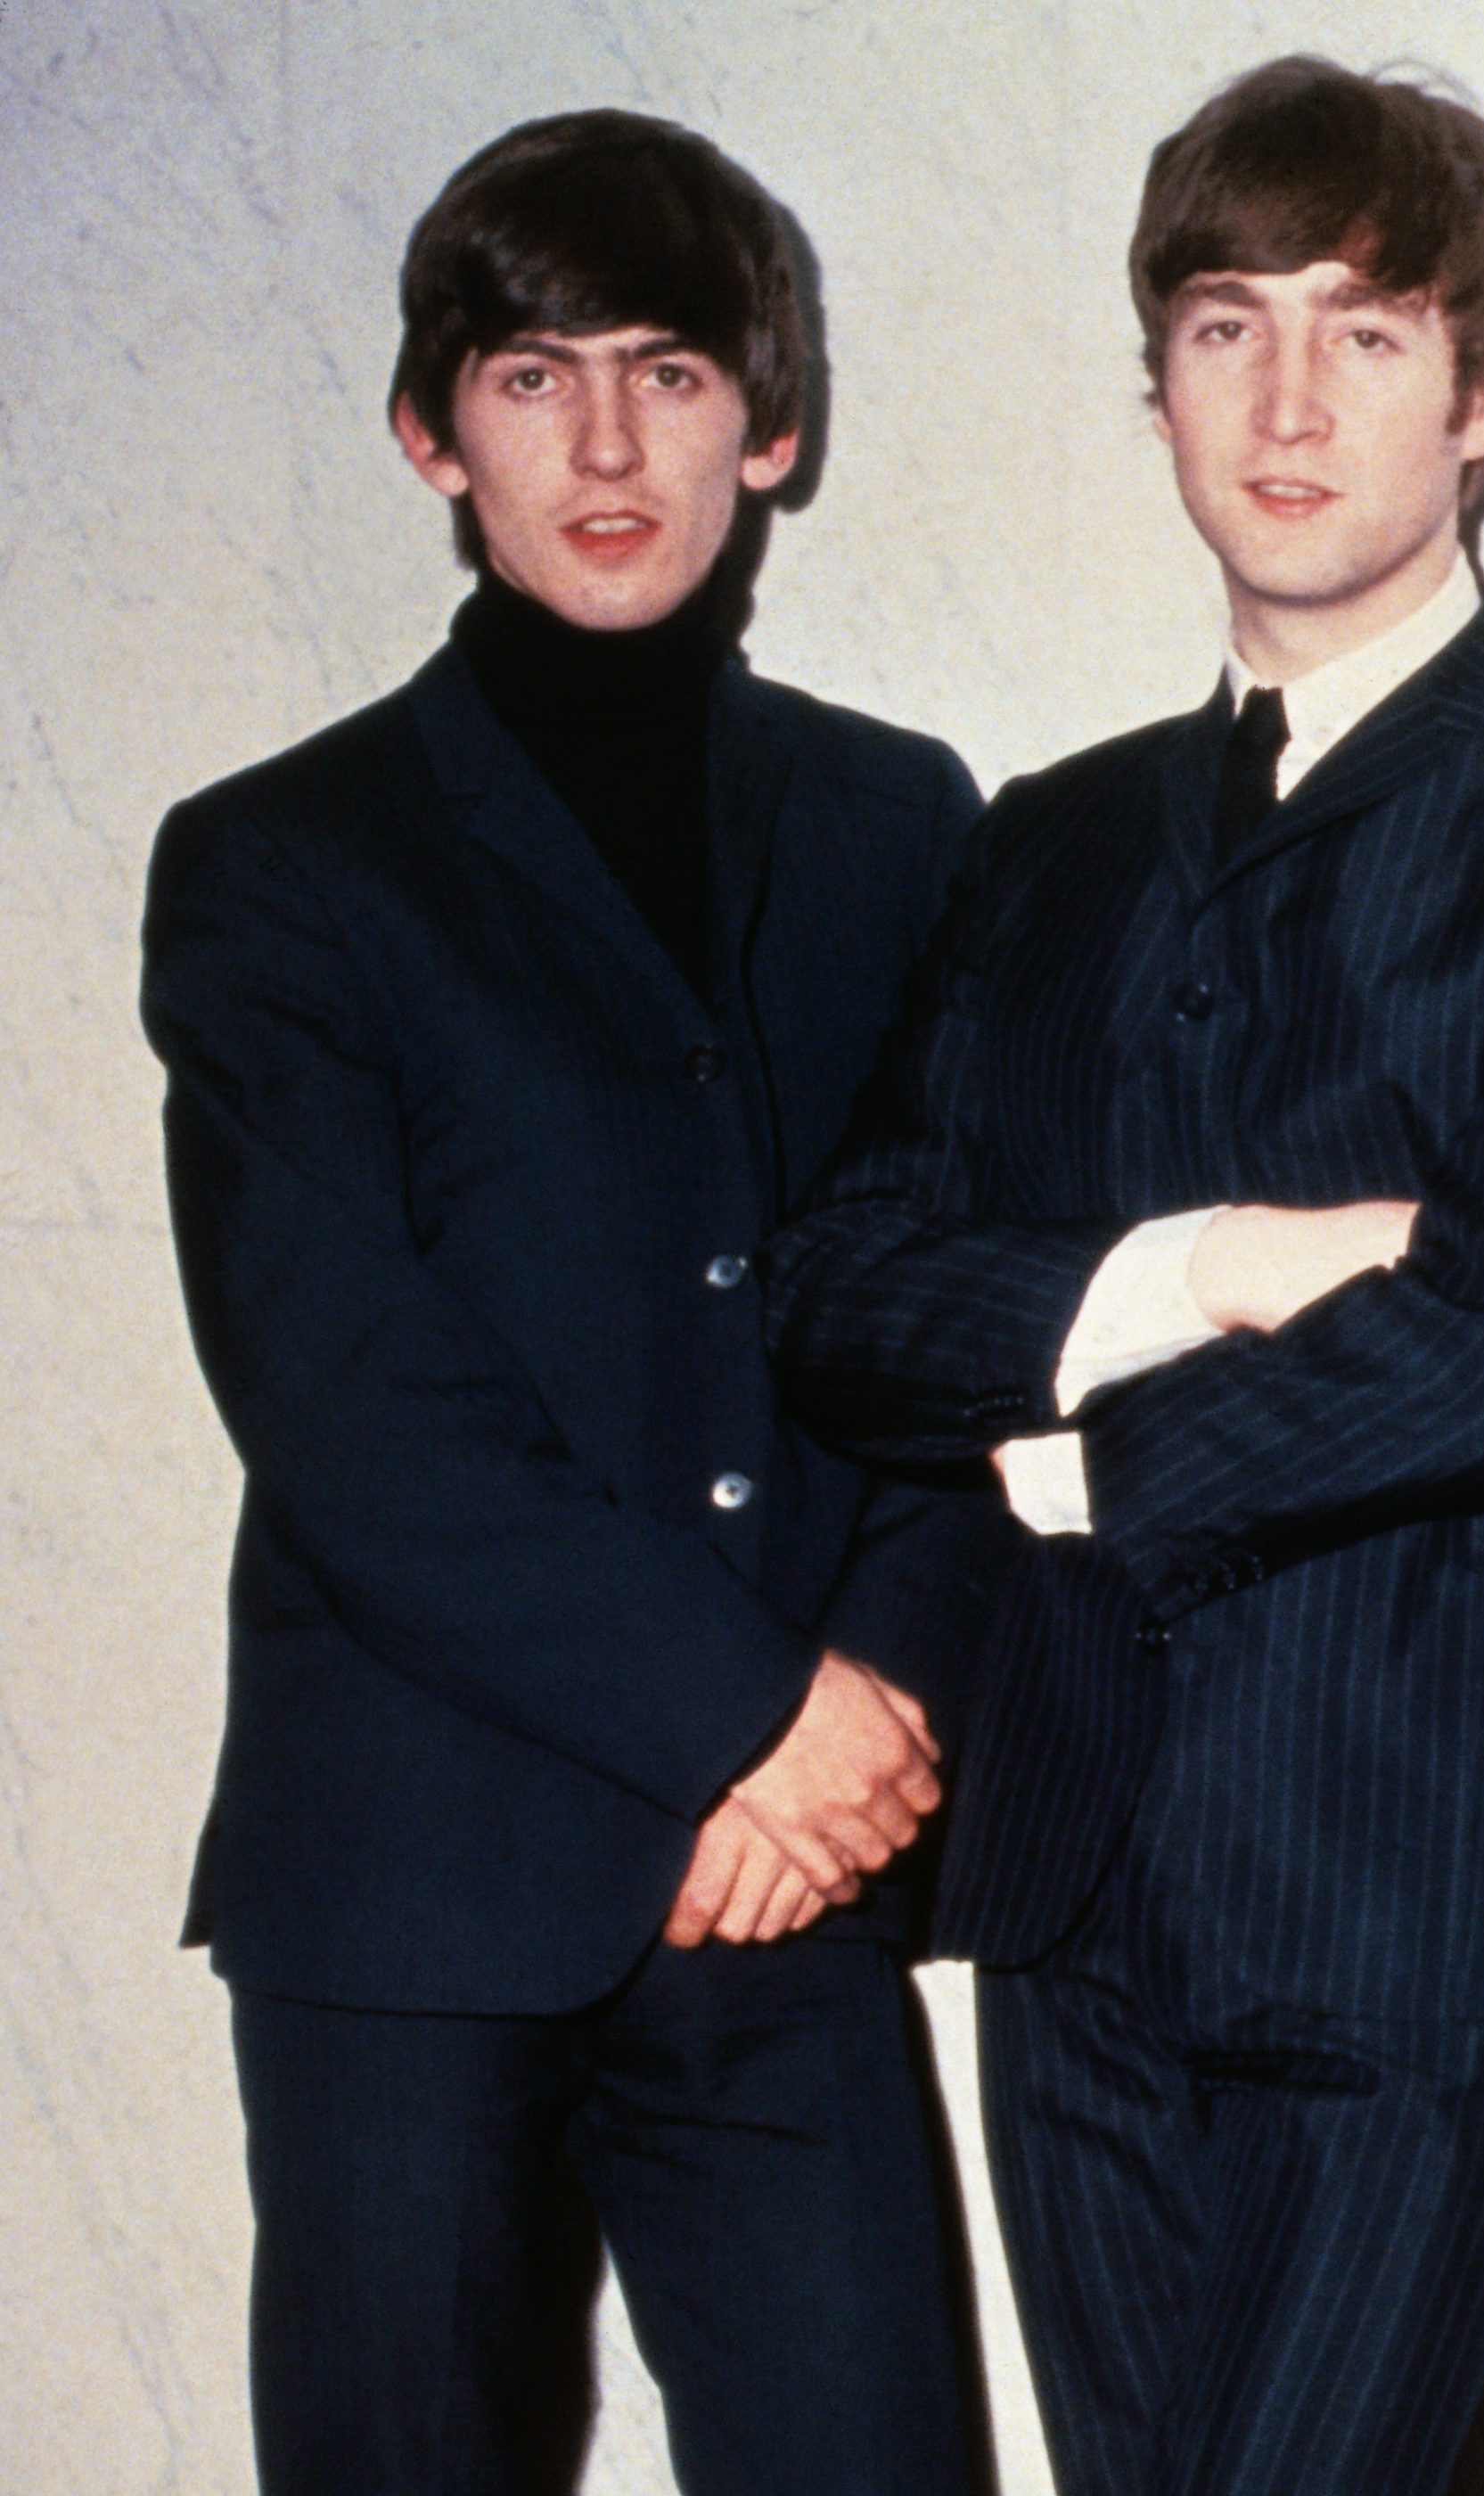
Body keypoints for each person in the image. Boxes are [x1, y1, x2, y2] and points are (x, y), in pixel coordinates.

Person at [759, 57, 1484, 2496]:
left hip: (1442, 1858)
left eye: (1369, 332)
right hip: (1081, 1856)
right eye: (1227, 327)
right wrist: (1187, 1271)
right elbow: (835, 1293)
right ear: (1158, 387)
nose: (1289, 400)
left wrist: (1062, 1459)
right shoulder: (1046, 845)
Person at [138, 109, 998, 2496]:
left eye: (668, 371)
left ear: (773, 419)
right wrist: (742, 1714)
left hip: (786, 1878)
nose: (608, 446)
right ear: (434, 434)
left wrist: (854, 1741)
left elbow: (945, 1334)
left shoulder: (899, 823)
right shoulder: (282, 868)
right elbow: (345, 1404)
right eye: (533, 379)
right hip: (414, 1880)